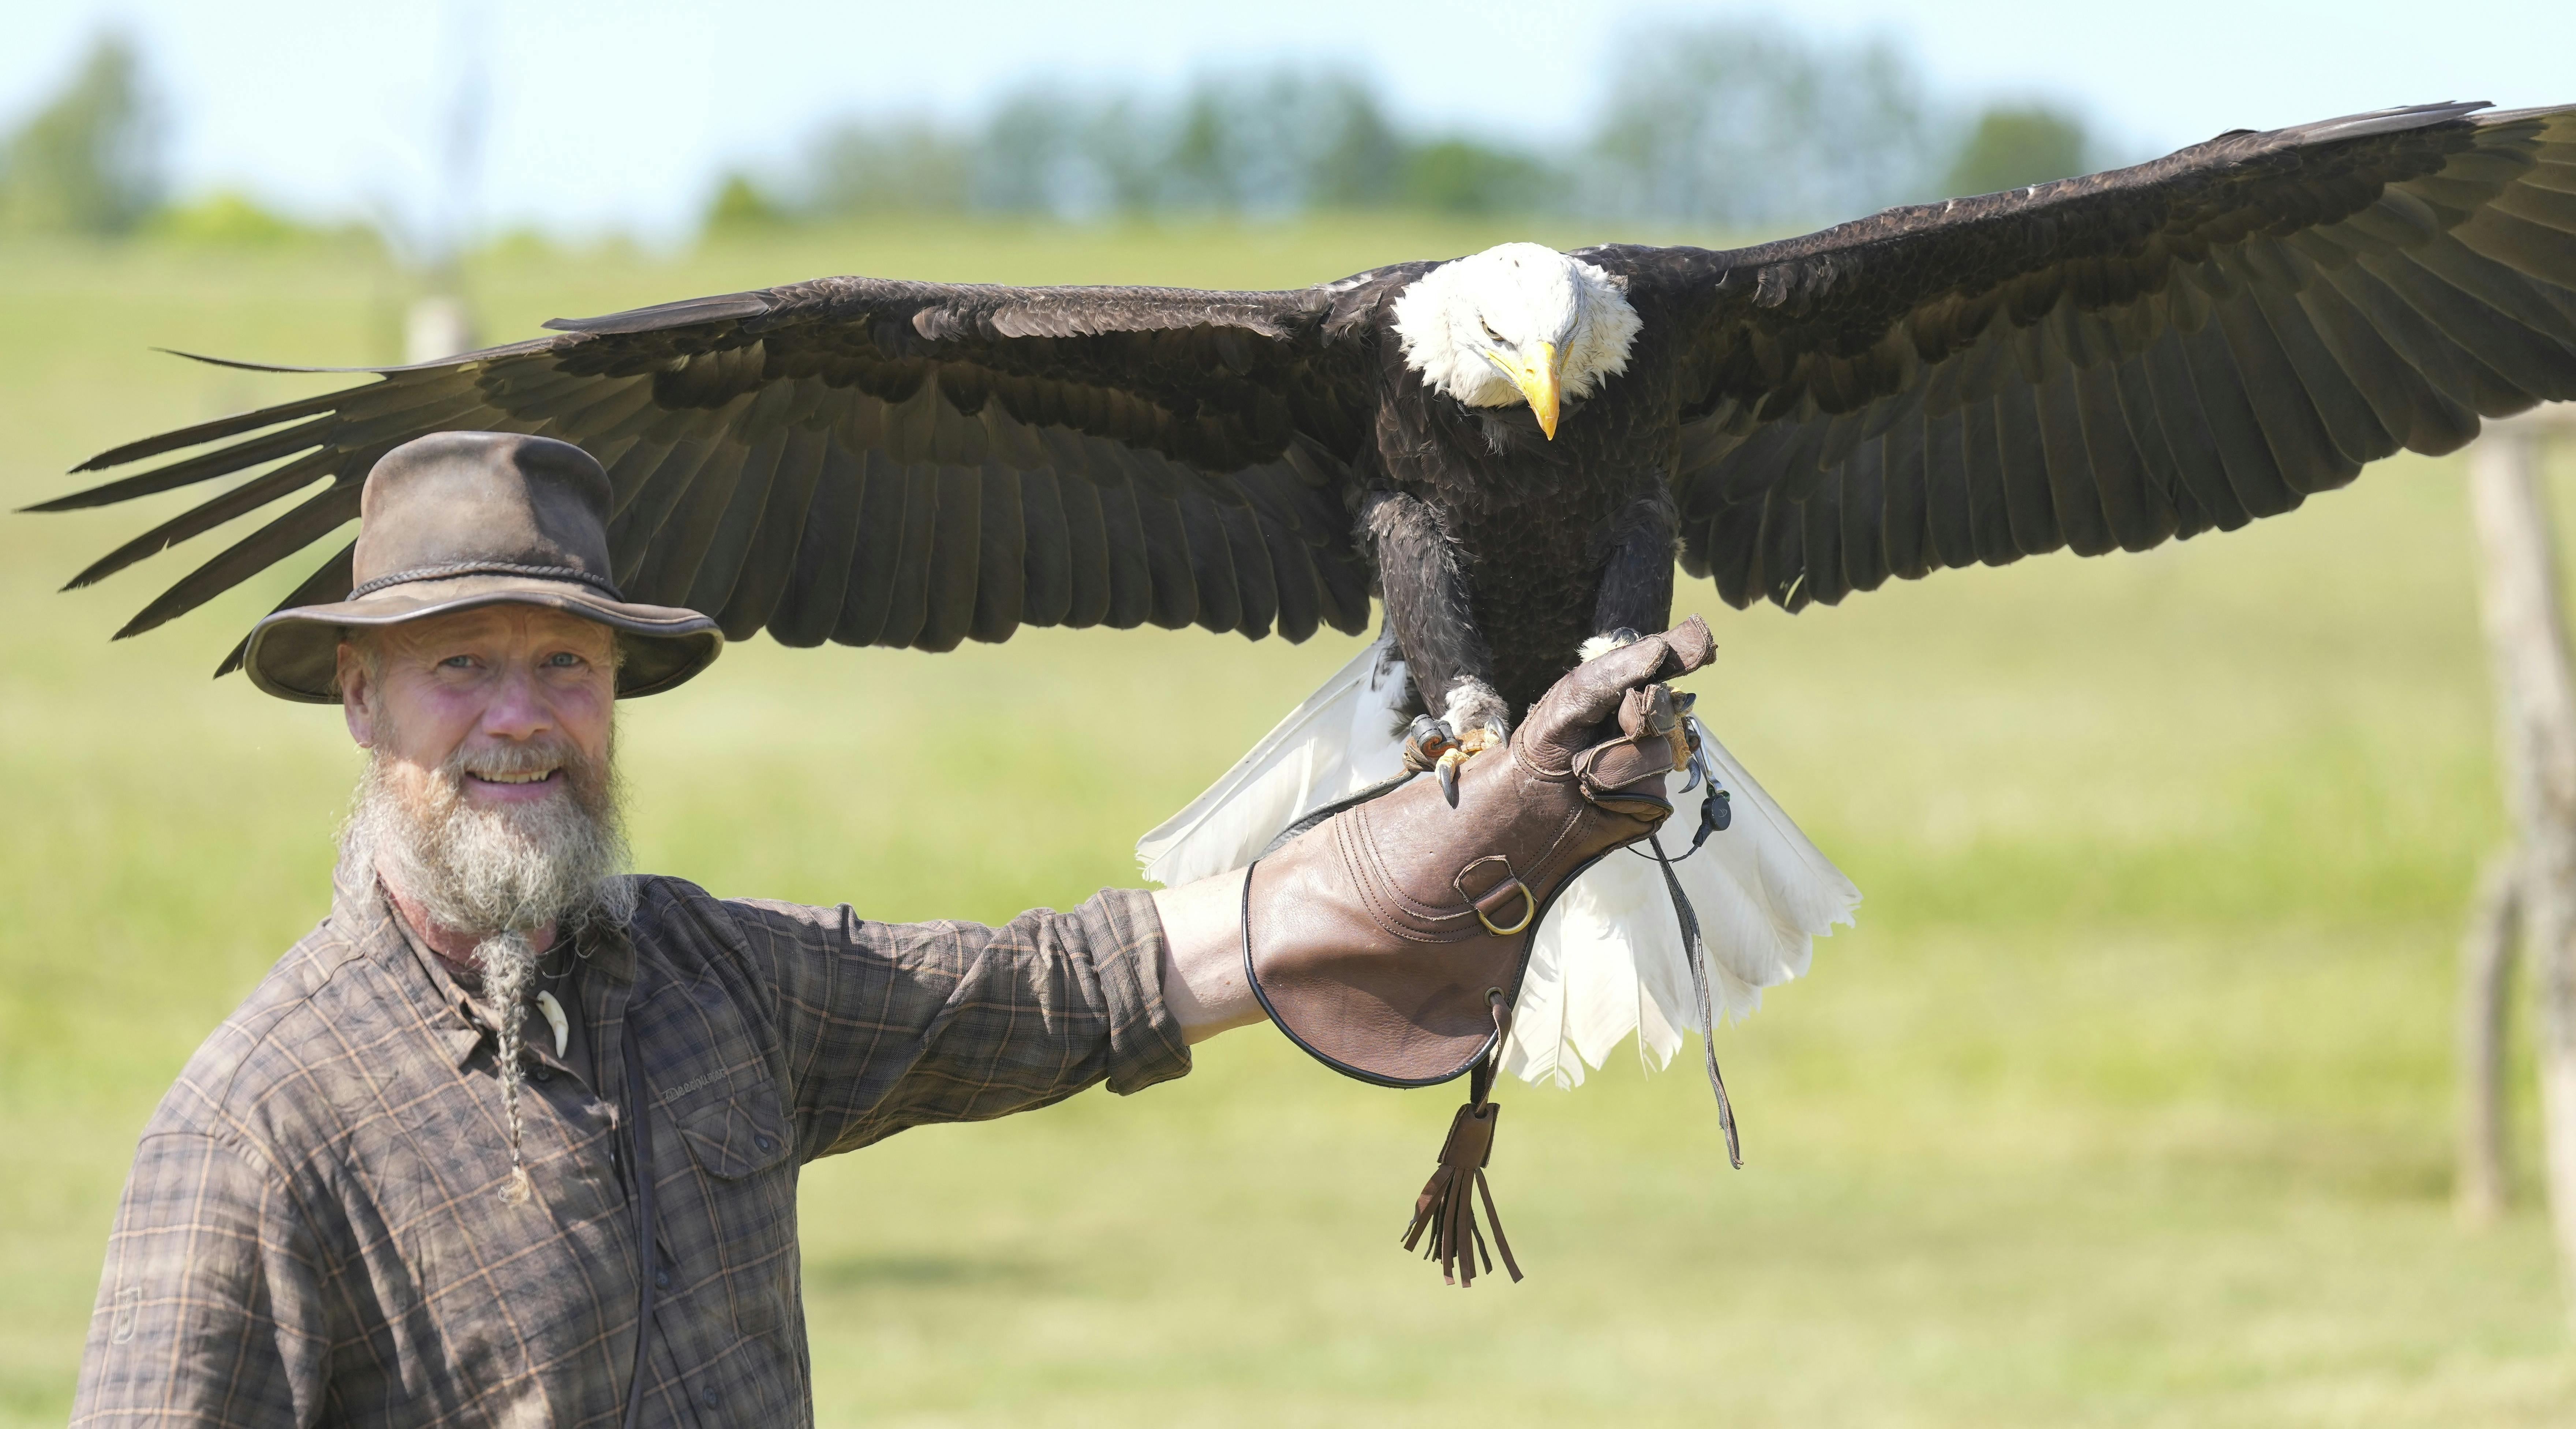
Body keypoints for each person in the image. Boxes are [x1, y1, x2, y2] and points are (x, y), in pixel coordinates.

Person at [70, 431, 1712, 1424]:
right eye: (462, 667)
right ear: (360, 702)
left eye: (563, 664)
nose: (521, 717)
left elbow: (1062, 989)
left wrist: (1448, 841)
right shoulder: (257, 1133)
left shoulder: (708, 981)